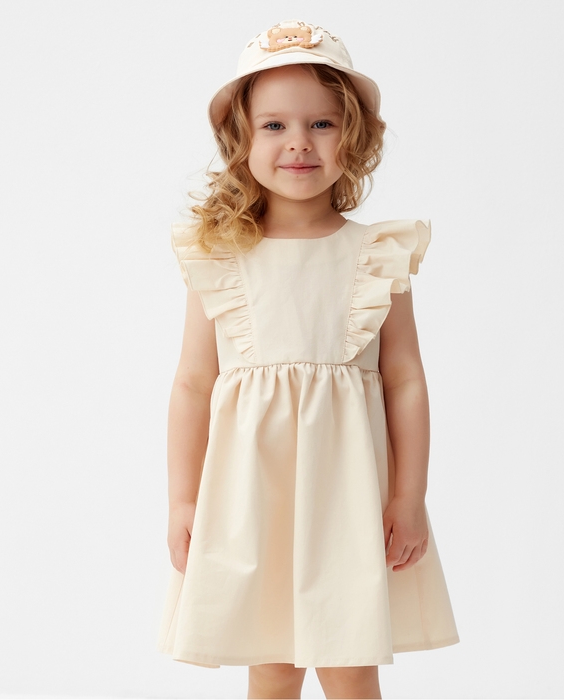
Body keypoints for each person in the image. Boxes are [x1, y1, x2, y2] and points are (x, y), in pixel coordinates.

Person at [156, 19, 459, 700]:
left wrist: (409, 496)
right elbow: (193, 383)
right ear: (241, 139)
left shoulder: (376, 254)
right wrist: (182, 498)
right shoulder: (220, 257)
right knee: (269, 662)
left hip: (346, 493)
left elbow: (405, 379)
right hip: (251, 495)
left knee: (349, 663)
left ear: (356, 137)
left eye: (322, 124)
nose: (299, 142)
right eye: (274, 126)